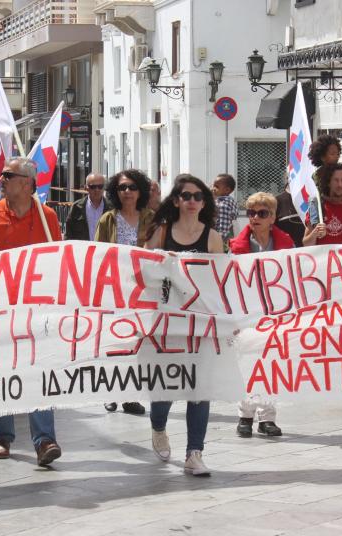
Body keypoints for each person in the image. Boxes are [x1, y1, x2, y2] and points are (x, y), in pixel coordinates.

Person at [0, 157, 63, 466]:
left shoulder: (47, 217)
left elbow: (58, 258)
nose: (1, 179)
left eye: (7, 175)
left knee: (39, 370)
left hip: (37, 308)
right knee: (0, 369)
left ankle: (44, 440)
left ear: (27, 183)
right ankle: (2, 436)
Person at [144, 174, 223, 476]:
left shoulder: (212, 237)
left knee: (200, 388)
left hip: (199, 323)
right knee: (166, 384)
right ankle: (158, 426)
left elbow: (220, 282)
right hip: (166, 323)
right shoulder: (161, 233)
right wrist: (161, 262)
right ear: (176, 201)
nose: (192, 201)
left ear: (204, 203)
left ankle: (194, 452)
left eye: (198, 196)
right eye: (186, 196)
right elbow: (144, 273)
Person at [228, 192, 294, 438]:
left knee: (270, 363)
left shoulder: (286, 244)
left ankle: (267, 418)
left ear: (273, 217)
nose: (255, 217)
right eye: (251, 213)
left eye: (262, 213)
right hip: (246, 312)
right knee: (247, 363)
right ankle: (245, 415)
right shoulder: (236, 246)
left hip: (275, 311)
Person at [94, 169, 153, 416]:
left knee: (136, 345)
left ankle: (130, 396)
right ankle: (110, 393)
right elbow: (97, 254)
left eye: (132, 187)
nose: (127, 192)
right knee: (113, 343)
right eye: (122, 188)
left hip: (142, 292)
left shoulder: (151, 218)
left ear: (141, 191)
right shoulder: (108, 219)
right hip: (114, 290)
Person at [303, 164, 342, 246]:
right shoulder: (317, 208)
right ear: (328, 182)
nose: (340, 184)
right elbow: (306, 244)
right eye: (336, 180)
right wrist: (315, 233)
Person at [64, 173, 110, 240]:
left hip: (104, 246)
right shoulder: (76, 207)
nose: (97, 190)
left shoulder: (112, 208)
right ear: (86, 188)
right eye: (93, 187)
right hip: (83, 246)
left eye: (100, 186)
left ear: (104, 188)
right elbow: (68, 234)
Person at [212, 173, 238, 244]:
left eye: (216, 187)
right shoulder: (229, 201)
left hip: (221, 241)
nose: (213, 189)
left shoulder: (223, 205)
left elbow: (223, 229)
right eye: (213, 186)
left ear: (227, 190)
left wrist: (217, 242)